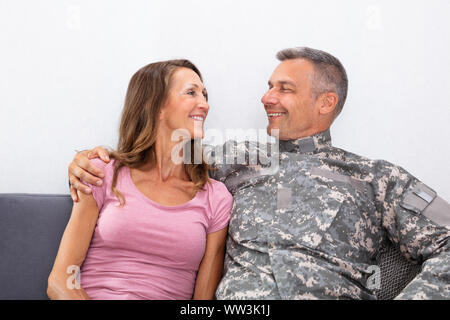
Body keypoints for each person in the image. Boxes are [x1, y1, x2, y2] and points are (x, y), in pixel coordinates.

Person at [68, 47, 450, 300]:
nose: (266, 98)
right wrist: (86, 159)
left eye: (284, 89)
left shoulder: (375, 177)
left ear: (325, 102)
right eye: (269, 87)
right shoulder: (232, 161)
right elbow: (154, 166)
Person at [48, 59, 233, 300]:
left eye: (205, 95)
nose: (204, 105)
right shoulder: (101, 172)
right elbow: (60, 280)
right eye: (191, 93)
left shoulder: (215, 197)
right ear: (154, 105)